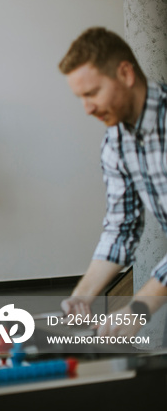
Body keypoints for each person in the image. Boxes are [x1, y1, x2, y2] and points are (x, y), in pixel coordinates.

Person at [58, 27, 167, 337]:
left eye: (92, 93)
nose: (87, 108)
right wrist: (82, 295)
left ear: (125, 74)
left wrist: (140, 307)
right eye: (80, 97)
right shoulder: (115, 142)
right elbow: (121, 227)